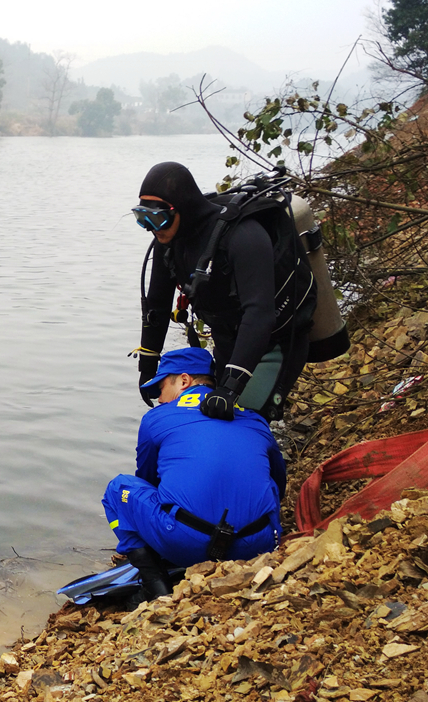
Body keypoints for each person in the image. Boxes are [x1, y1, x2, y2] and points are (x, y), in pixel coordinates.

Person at [133, 162, 317, 422]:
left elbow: (260, 314)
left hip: (274, 342)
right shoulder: (168, 242)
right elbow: (157, 307)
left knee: (244, 418)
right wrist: (148, 365)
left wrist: (230, 388)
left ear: (182, 208)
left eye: (158, 218)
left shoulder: (244, 235)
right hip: (228, 340)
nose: (152, 228)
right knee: (210, 416)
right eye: (142, 218)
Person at [102, 347, 286, 600]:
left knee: (118, 490)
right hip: (257, 545)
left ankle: (154, 584)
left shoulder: (157, 417)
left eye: (161, 389)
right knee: (268, 482)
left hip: (184, 543)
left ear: (184, 380)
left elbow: (146, 480)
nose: (160, 399)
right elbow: (280, 483)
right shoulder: (254, 418)